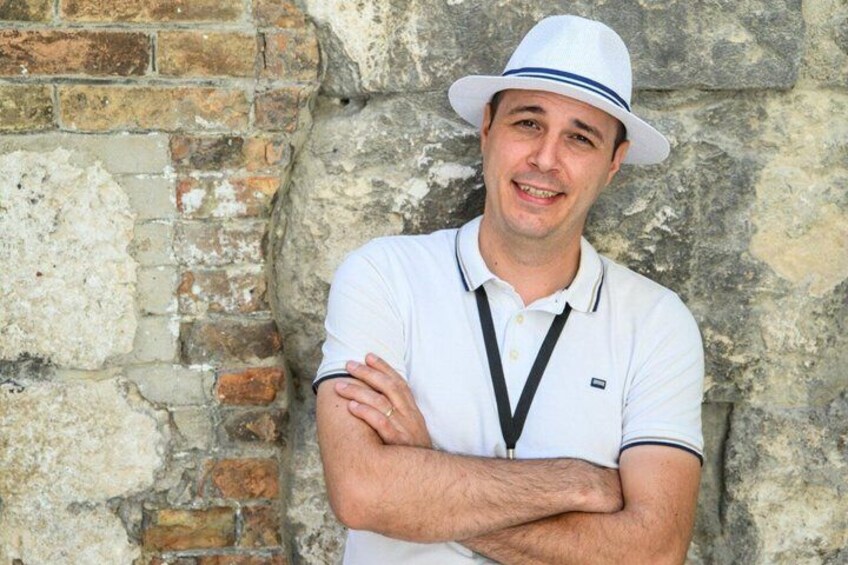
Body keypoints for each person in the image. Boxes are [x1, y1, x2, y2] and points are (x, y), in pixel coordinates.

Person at [313, 14, 704, 565]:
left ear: (614, 163)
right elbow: (362, 492)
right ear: (487, 129)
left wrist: (426, 475)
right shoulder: (384, 275)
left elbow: (654, 552)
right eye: (527, 123)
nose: (545, 159)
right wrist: (577, 482)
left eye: (580, 138)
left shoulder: (658, 323)